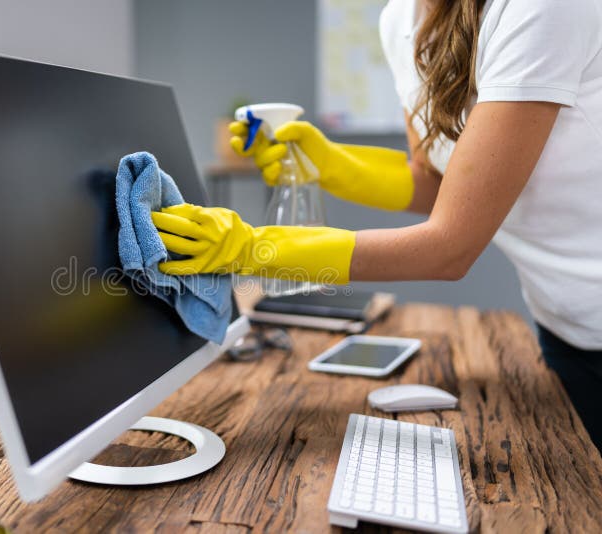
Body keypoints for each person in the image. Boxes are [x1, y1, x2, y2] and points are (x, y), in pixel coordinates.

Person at [151, 0, 602, 448]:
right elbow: (434, 182)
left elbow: (451, 245)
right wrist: (328, 161)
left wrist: (251, 249)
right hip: (562, 320)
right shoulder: (399, 20)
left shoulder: (540, 8)